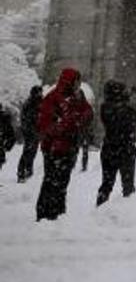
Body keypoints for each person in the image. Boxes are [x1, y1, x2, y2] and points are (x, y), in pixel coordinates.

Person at [35, 68, 94, 221]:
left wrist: (80, 114)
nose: (78, 84)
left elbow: (88, 113)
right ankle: (44, 214)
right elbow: (46, 125)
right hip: (53, 149)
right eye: (77, 81)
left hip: (70, 147)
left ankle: (58, 213)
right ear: (70, 81)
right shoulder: (53, 98)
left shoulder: (77, 96)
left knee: (62, 183)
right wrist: (70, 122)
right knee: (51, 182)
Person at [96, 81, 136, 206]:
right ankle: (127, 213)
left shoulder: (105, 107)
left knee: (107, 184)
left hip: (109, 150)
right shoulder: (124, 110)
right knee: (128, 186)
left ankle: (99, 209)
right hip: (126, 150)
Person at [16, 85, 42, 181]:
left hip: (36, 131)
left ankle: (29, 170)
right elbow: (24, 118)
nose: (40, 94)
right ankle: (21, 172)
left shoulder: (41, 102)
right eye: (38, 92)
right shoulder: (28, 103)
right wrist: (28, 129)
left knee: (33, 151)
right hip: (29, 132)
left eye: (41, 92)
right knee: (27, 151)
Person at [0, 105, 15, 177]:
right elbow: (11, 136)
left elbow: (11, 136)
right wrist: (7, 146)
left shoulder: (4, 119)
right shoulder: (4, 118)